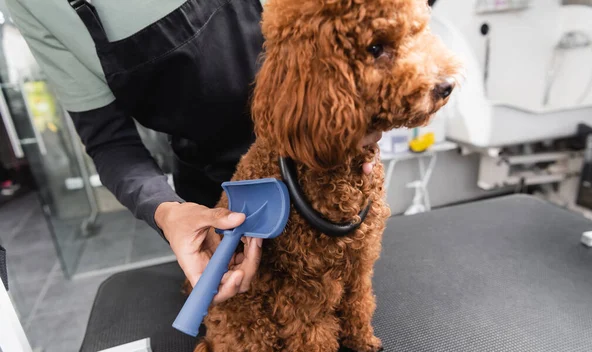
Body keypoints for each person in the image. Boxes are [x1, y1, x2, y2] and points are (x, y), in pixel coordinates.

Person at [6, 0, 380, 304]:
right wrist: (166, 212)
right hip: (213, 200)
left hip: (323, 164)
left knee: (346, 302)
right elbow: (109, 141)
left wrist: (365, 106)